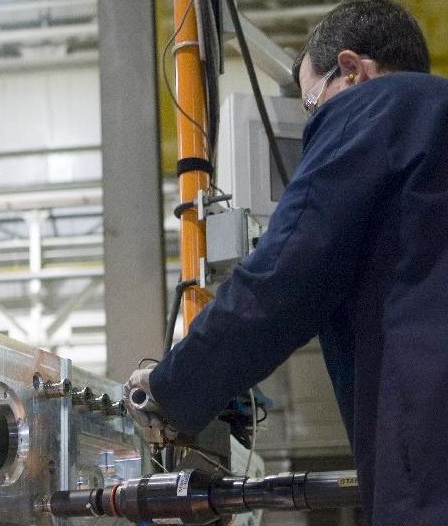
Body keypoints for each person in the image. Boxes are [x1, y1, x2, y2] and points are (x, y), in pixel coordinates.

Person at [124, 1, 448, 524]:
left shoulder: (372, 108)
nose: (316, 124)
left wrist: (169, 390)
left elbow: (284, 279)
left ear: (351, 69)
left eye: (311, 106)